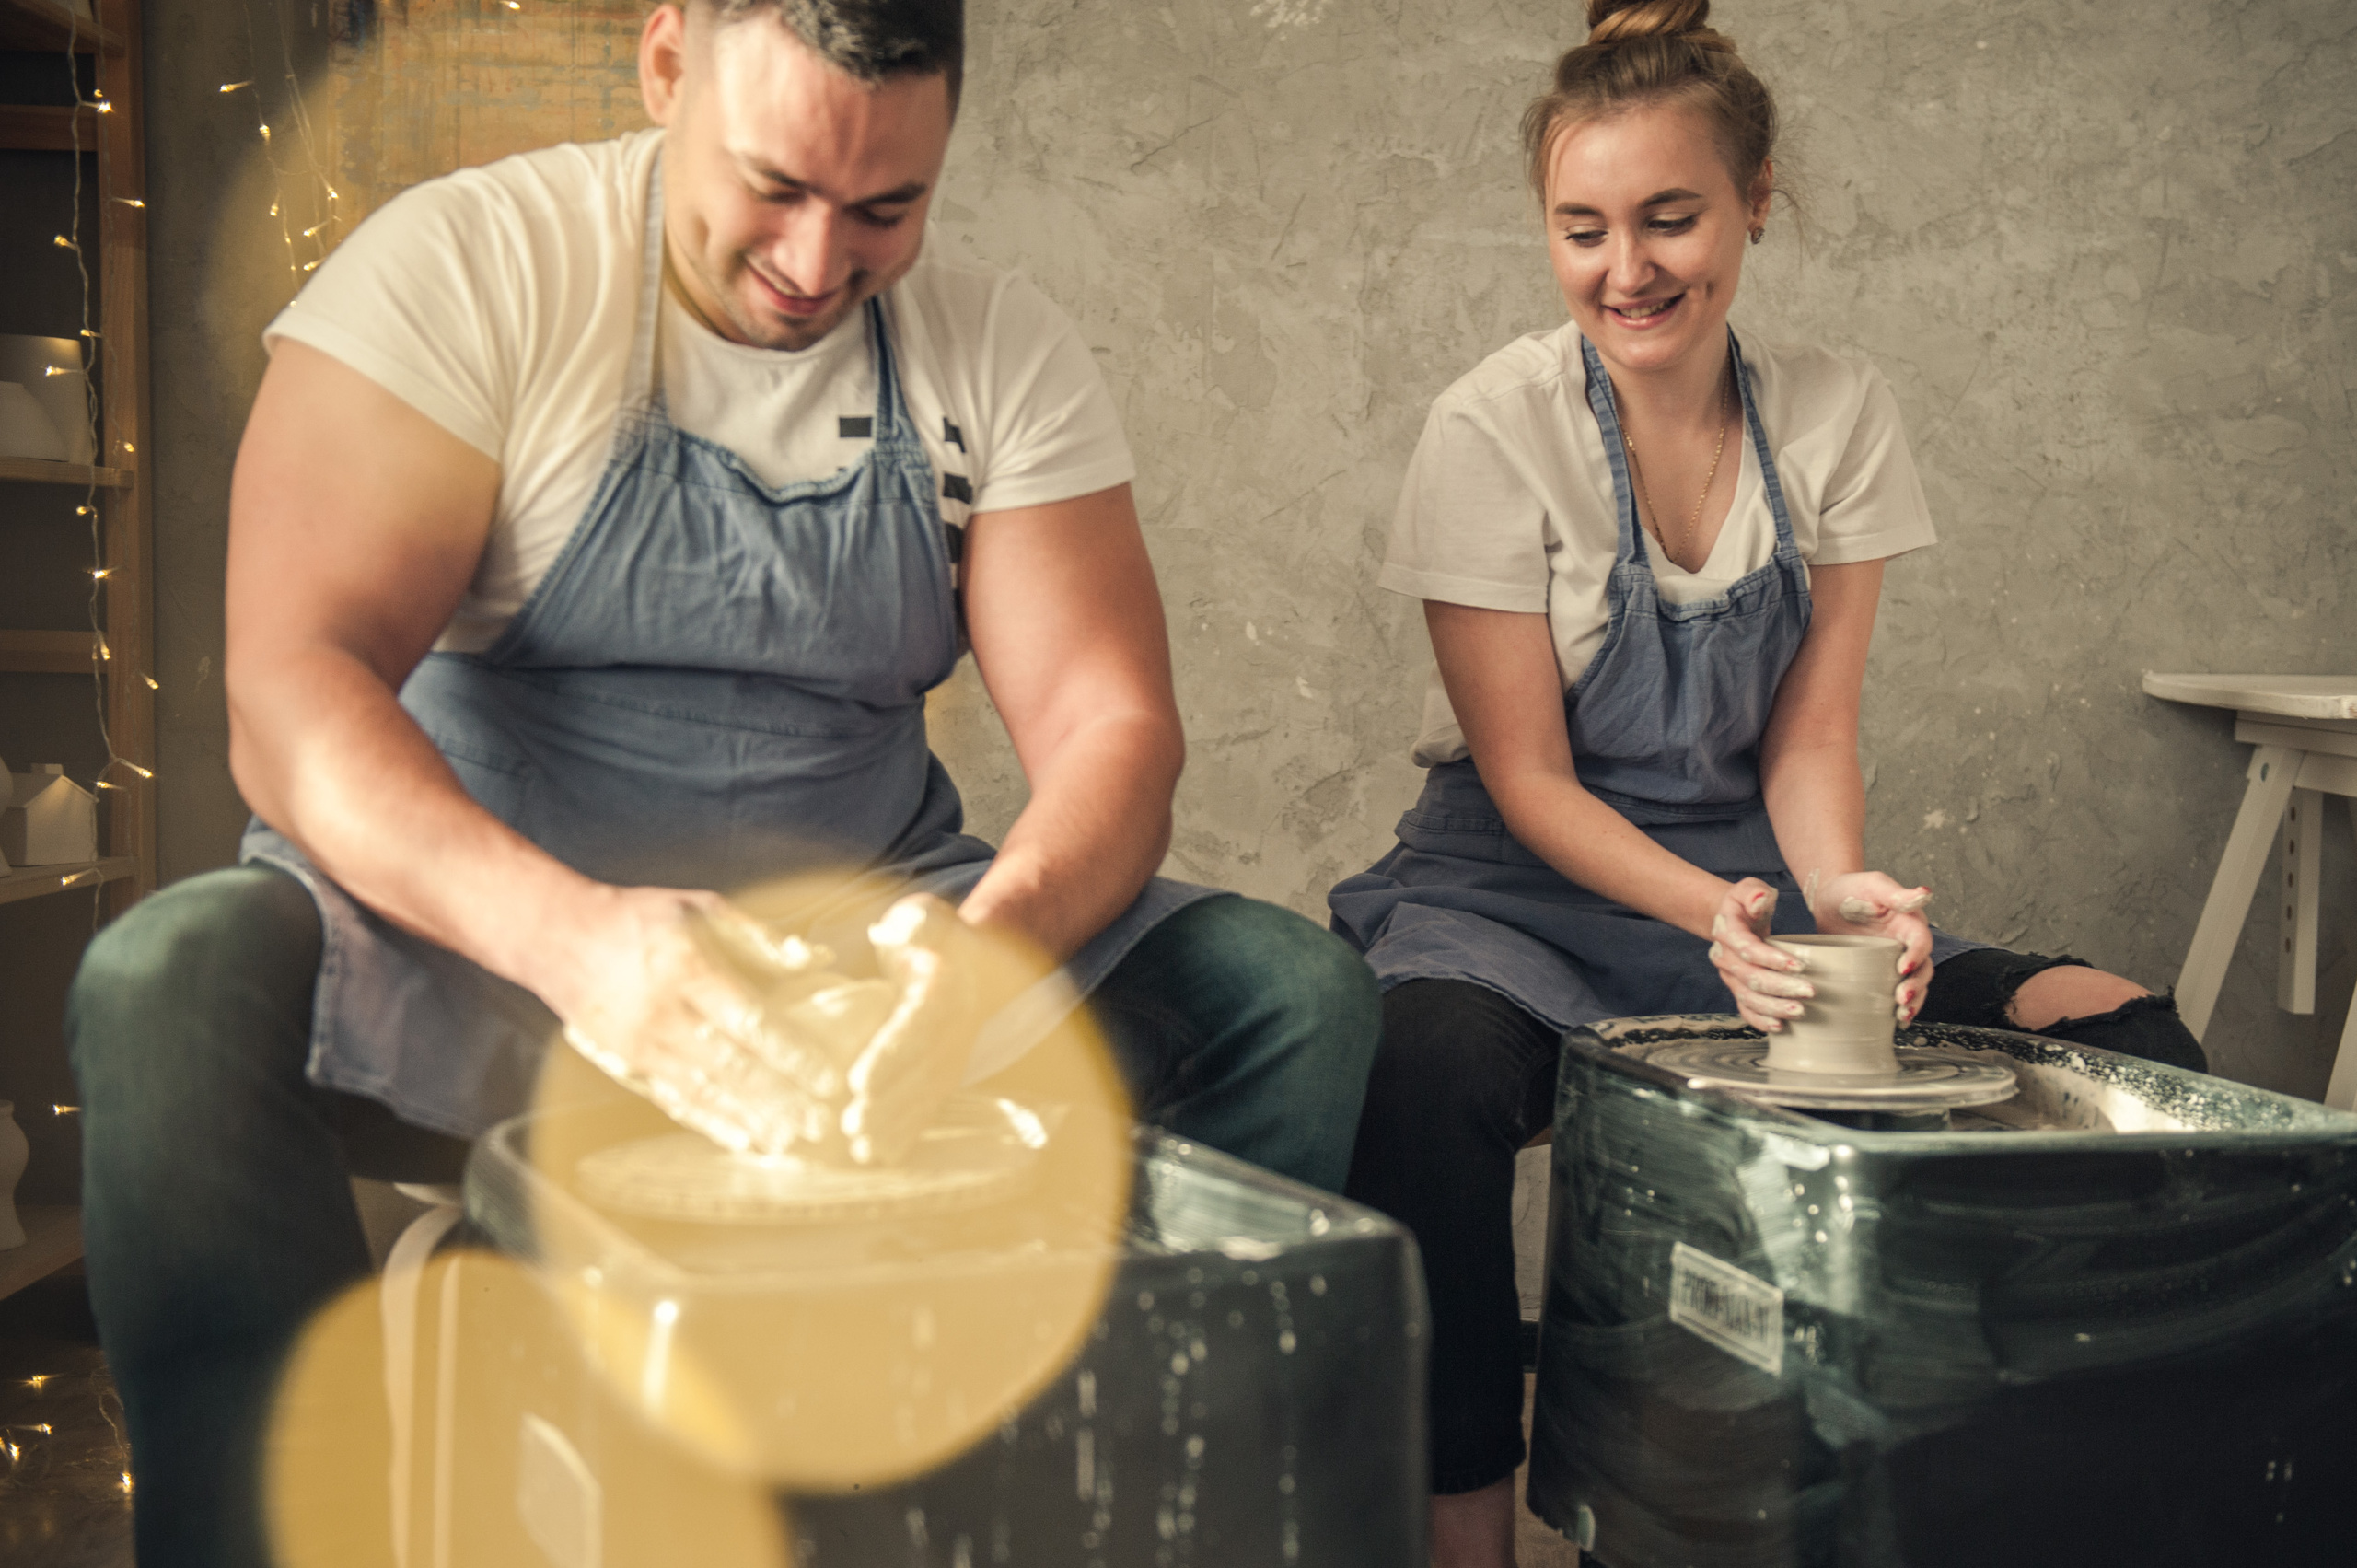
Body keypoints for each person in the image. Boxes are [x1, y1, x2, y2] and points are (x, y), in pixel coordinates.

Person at [66, 2, 1379, 1561]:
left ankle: (1102, 1506)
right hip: (498, 944)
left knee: (1294, 998)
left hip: (870, 956)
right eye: (773, 187)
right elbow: (292, 696)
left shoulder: (996, 346)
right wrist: (587, 949)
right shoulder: (470, 269)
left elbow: (1113, 733)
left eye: (885, 208)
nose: (818, 264)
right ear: (666, 65)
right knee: (164, 979)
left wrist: (983, 961)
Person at [1324, 4, 2206, 1563]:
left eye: (1671, 217)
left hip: (1752, 894)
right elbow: (1528, 779)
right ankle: (1467, 1539)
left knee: (2126, 1024)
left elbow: (1807, 735)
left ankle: (2044, 1497)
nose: (1627, 268)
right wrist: (1711, 910)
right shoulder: (1493, 426)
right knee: (1420, 1083)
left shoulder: (1836, 413)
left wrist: (1844, 893)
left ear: (1756, 199)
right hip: (1515, 902)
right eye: (1582, 228)